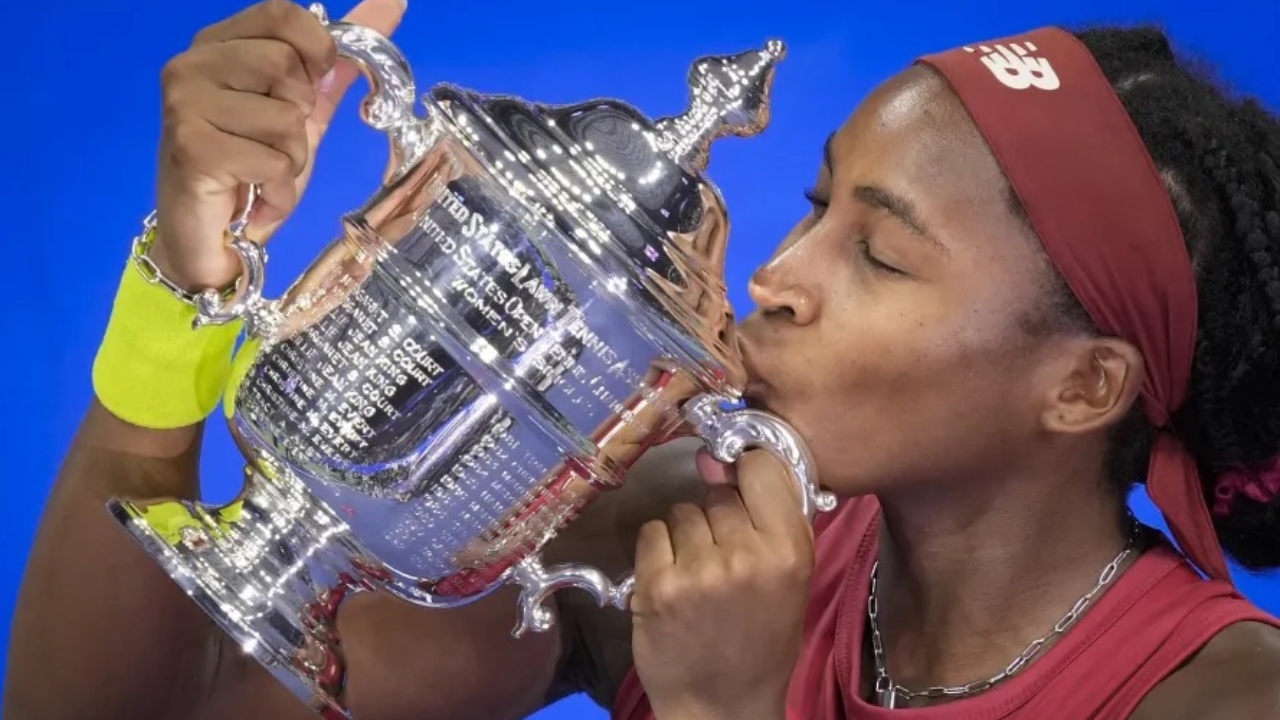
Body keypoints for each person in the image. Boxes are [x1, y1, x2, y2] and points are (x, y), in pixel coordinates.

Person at [6, 0, 1280, 718]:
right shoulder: (655, 526)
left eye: (880, 257)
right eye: (813, 206)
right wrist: (187, 291)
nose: (774, 282)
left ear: (1082, 385)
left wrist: (723, 716)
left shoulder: (1219, 699)